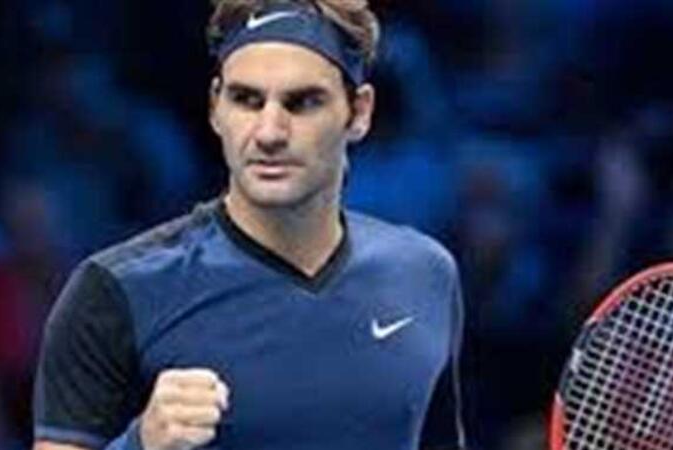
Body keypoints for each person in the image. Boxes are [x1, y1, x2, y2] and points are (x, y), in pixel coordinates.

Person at [32, 1, 466, 449]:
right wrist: (141, 443)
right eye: (246, 100)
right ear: (215, 107)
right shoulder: (116, 290)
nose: (269, 133)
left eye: (303, 103)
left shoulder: (425, 275)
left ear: (359, 113)